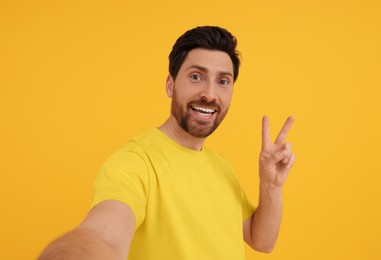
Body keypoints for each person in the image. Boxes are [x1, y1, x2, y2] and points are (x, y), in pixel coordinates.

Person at [38, 26, 295, 260]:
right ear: (170, 85)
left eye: (223, 81)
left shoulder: (222, 167)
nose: (210, 93)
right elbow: (104, 234)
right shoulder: (135, 161)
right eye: (196, 76)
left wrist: (270, 185)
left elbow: (261, 240)